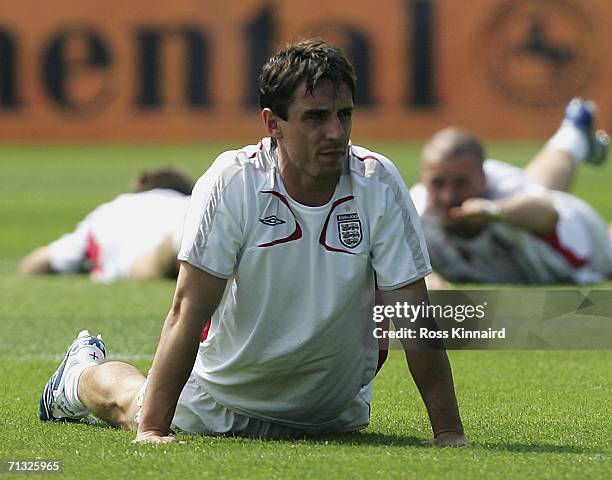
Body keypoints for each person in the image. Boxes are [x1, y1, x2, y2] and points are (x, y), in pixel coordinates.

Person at [39, 39, 466, 445]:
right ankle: (79, 375)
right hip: (222, 399)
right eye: (316, 117)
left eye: (345, 115)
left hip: (332, 413)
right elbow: (187, 311)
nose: (336, 132)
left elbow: (415, 317)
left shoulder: (378, 181)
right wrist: (150, 429)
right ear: (272, 124)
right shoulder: (234, 181)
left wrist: (448, 434)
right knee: (129, 401)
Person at [410, 98, 612, 285]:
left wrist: (493, 211)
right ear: (424, 179)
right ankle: (574, 132)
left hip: (586, 241)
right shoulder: (415, 209)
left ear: (484, 177)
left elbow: (547, 213)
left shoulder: (506, 192)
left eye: (460, 184)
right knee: (536, 183)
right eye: (437, 183)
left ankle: (573, 134)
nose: (448, 196)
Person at [20, 167, 194, 282]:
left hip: (149, 257)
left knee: (146, 265)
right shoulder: (188, 202)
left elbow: (36, 263)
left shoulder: (111, 209)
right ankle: (183, 246)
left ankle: (179, 246)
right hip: (189, 225)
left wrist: (84, 266)